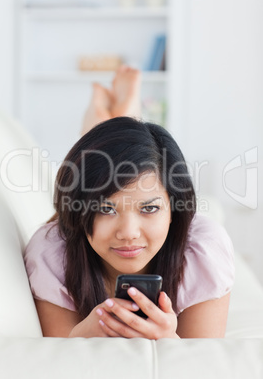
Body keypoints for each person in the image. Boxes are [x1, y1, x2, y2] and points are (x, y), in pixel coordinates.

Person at [24, 66, 235, 339]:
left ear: (174, 208)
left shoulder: (203, 251)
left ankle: (109, 119)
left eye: (149, 208)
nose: (128, 233)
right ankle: (111, 119)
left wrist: (170, 342)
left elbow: (205, 363)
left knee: (126, 166)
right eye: (105, 208)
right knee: (110, 170)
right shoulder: (52, 250)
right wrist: (79, 340)